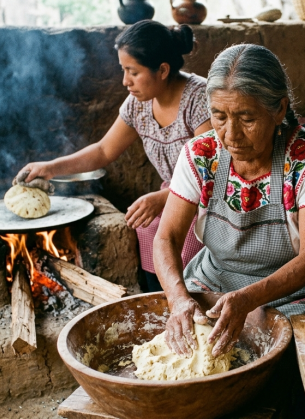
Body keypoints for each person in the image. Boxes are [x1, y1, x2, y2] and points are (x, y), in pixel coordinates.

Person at [154, 44, 305, 358]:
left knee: (270, 357)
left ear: (279, 110)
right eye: (219, 117)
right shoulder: (200, 154)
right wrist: (178, 300)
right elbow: (167, 237)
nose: (231, 134)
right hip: (215, 280)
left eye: (246, 118)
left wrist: (248, 300)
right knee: (187, 346)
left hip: (294, 291)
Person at [18, 20, 211, 293]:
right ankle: (158, 302)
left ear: (163, 70)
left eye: (133, 71)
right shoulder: (138, 104)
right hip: (171, 197)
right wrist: (50, 168)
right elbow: (103, 150)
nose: (125, 81)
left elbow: (211, 169)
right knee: (147, 229)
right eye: (124, 70)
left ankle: (192, 306)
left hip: (207, 201)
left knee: (184, 244)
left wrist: (161, 199)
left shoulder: (199, 99)